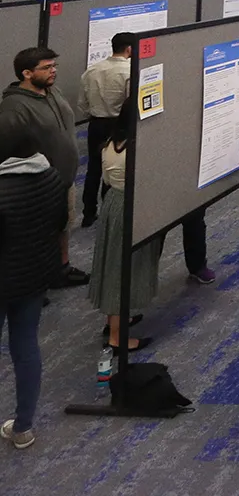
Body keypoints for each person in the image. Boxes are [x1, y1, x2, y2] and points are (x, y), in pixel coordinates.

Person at [0, 111, 69, 451]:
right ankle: (24, 426)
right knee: (25, 346)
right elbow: (59, 224)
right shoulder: (52, 177)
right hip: (34, 276)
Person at [1, 47, 89, 288]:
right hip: (36, 187)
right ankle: (33, 282)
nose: (53, 71)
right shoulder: (14, 108)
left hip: (64, 178)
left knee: (63, 225)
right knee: (35, 236)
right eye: (47, 68)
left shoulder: (51, 91)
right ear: (26, 73)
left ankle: (61, 268)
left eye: (54, 66)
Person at [89, 100, 163, 351]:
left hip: (113, 203)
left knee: (114, 266)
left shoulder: (110, 144)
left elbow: (108, 179)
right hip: (130, 207)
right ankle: (117, 338)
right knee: (123, 271)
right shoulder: (139, 148)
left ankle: (117, 320)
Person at [78, 32, 134, 228]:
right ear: (129, 49)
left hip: (95, 124)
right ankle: (108, 214)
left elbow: (82, 104)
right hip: (118, 126)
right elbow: (130, 106)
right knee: (113, 168)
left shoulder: (91, 70)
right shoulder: (130, 72)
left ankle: (88, 213)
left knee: (93, 168)